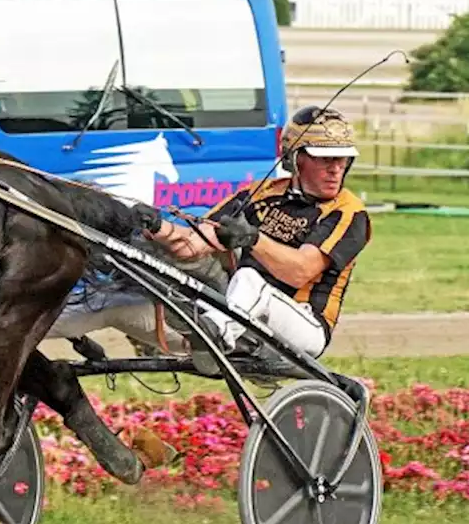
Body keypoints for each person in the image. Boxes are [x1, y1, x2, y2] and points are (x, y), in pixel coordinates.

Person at [146, 106, 371, 368]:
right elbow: (191, 244)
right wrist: (152, 225)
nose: (336, 169)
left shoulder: (349, 212)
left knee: (248, 278)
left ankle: (213, 338)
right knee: (157, 292)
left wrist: (253, 239)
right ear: (296, 159)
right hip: (247, 316)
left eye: (342, 159)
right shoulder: (260, 194)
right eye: (325, 159)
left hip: (305, 326)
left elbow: (300, 271)